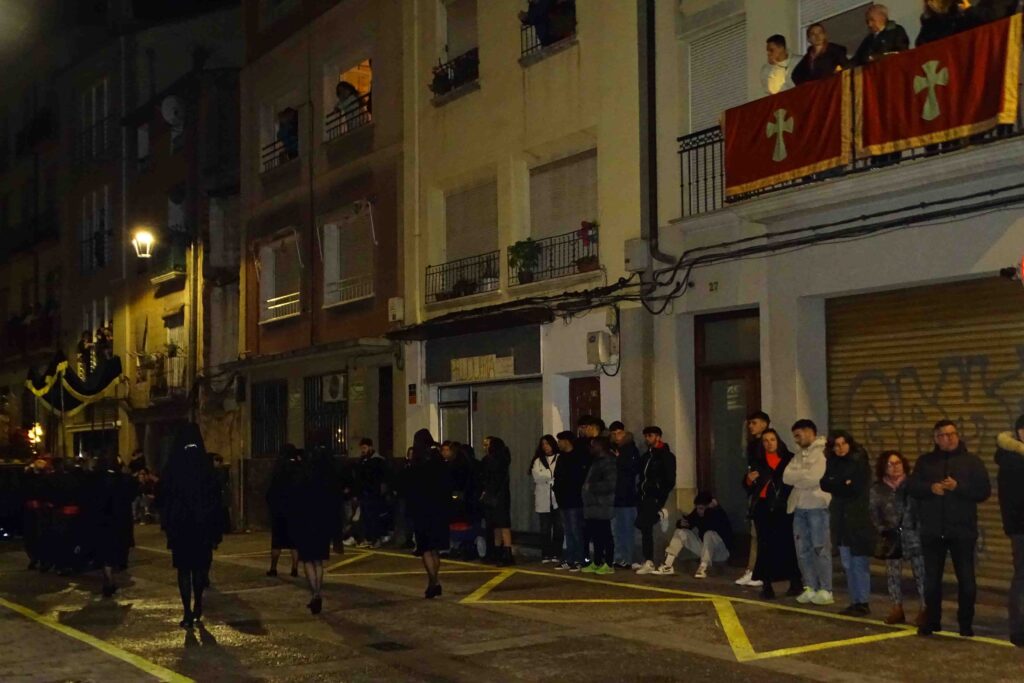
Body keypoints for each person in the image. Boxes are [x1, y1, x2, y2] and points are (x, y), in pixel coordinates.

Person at [909, 419, 991, 637]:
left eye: (952, 434)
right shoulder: (925, 462)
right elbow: (913, 486)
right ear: (936, 439)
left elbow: (983, 491)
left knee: (966, 580)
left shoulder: (972, 462)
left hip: (962, 531)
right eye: (943, 435)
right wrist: (930, 488)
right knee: (932, 581)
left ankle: (965, 623)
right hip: (932, 530)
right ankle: (932, 620)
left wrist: (958, 487)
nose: (948, 438)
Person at [160, 423, 223, 629]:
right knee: (199, 568)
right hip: (202, 526)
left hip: (180, 527)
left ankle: (187, 610)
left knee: (184, 570)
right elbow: (216, 500)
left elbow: (164, 498)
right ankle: (198, 604)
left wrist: (167, 525)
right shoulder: (205, 466)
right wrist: (216, 530)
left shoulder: (173, 466)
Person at [820, 431, 876, 616]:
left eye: (843, 444)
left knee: (859, 561)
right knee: (847, 563)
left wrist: (840, 484)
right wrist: (842, 483)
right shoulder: (833, 463)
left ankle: (863, 601)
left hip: (857, 518)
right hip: (840, 519)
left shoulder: (859, 463)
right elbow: (825, 483)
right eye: (836, 445)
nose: (840, 448)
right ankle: (854, 600)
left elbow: (855, 488)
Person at [869, 450, 926, 626]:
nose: (895, 467)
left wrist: (919, 528)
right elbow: (873, 512)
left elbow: (923, 509)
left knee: (921, 573)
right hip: (892, 537)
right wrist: (883, 529)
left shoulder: (913, 485)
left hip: (914, 536)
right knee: (893, 574)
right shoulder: (878, 489)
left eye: (898, 463)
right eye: (890, 464)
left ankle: (925, 608)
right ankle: (896, 608)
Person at [745, 429, 802, 599]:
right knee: (765, 547)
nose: (769, 443)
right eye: (765, 441)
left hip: (783, 507)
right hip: (763, 507)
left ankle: (795, 582)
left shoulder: (789, 459)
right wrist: (749, 480)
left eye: (772, 440)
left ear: (778, 441)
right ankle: (767, 585)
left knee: (787, 545)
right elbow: (748, 485)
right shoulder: (758, 461)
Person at [784, 420, 833, 606]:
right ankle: (810, 586)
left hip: (817, 506)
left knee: (820, 548)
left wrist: (799, 477)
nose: (796, 440)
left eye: (798, 435)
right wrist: (802, 476)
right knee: (802, 550)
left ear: (809, 432)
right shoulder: (798, 455)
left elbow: (816, 477)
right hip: (799, 507)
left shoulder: (822, 452)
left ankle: (826, 588)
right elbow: (786, 476)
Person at [288, 443, 338, 615]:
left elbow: (295, 500)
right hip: (321, 523)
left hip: (306, 523)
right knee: (318, 562)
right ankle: (318, 592)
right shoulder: (326, 478)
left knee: (308, 561)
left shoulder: (302, 476)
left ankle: (315, 594)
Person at [408, 429, 453, 599]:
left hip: (422, 509)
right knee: (435, 549)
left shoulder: (418, 461)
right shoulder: (439, 459)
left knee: (425, 549)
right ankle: (435, 581)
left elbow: (411, 486)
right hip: (439, 509)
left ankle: (433, 582)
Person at [655, 492, 733, 578]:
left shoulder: (718, 513)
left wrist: (713, 508)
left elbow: (713, 526)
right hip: (705, 550)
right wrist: (680, 523)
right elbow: (688, 522)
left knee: (709, 534)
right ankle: (668, 565)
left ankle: (703, 568)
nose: (699, 511)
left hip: (721, 552)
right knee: (681, 532)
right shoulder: (697, 513)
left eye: (701, 508)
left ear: (709, 506)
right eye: (697, 508)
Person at [995, 416, 1024, 646]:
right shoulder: (1012, 461)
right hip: (1021, 528)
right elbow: (1014, 500)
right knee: (1022, 578)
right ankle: (1019, 630)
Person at [90, 455, 134, 597]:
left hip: (102, 520)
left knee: (105, 551)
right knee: (114, 550)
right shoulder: (123, 480)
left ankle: (108, 577)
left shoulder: (96, 480)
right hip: (118, 520)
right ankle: (110, 578)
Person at [634, 426, 676, 575]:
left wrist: (659, 496)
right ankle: (647, 559)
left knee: (645, 526)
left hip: (654, 496)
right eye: (646, 436)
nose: (647, 439)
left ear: (658, 437)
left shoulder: (666, 456)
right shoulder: (647, 456)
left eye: (650, 436)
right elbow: (641, 474)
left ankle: (649, 561)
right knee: (642, 525)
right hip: (644, 496)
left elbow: (669, 480)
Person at [736, 411, 770, 587]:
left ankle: (757, 572)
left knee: (760, 534)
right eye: (749, 423)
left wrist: (758, 478)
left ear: (764, 424)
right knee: (756, 534)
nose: (750, 426)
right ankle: (755, 571)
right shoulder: (753, 446)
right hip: (756, 493)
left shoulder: (766, 444)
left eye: (754, 423)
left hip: (765, 495)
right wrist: (749, 481)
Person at [553, 431, 588, 571]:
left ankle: (580, 559)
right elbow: (558, 476)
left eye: (560, 441)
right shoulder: (561, 458)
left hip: (575, 500)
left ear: (566, 441)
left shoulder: (578, 457)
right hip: (563, 500)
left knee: (576, 530)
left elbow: (579, 478)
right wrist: (557, 491)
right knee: (568, 531)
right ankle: (569, 558)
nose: (558, 444)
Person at [581, 437, 617, 574]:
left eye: (593, 445)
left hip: (602, 505)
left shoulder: (609, 462)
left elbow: (611, 484)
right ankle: (597, 561)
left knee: (605, 535)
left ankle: (608, 563)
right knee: (596, 536)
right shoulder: (596, 461)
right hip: (593, 505)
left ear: (600, 446)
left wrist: (591, 487)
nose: (591, 448)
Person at [266, 445, 300, 578]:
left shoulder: (277, 469)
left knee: (277, 542)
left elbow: (270, 492)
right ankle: (295, 568)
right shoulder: (298, 468)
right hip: (294, 511)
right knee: (294, 543)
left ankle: (273, 568)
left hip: (279, 512)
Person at [609, 421, 639, 569]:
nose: (617, 437)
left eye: (619, 433)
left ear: (624, 433)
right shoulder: (611, 449)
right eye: (614, 434)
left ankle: (628, 558)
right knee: (616, 530)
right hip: (614, 496)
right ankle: (618, 557)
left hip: (627, 497)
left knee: (627, 529)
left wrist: (619, 459)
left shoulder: (631, 449)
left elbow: (633, 469)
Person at [480, 436, 514, 566]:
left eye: (487, 444)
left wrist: (486, 490)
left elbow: (490, 478)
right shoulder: (500, 459)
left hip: (496, 496)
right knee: (499, 525)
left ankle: (503, 553)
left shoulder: (494, 460)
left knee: (501, 525)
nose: (485, 447)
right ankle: (501, 552)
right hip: (499, 495)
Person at [530, 435, 562, 563]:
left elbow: (560, 475)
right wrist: (550, 476)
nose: (545, 446)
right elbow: (537, 477)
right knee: (545, 528)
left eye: (547, 443)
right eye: (543, 444)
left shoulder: (559, 458)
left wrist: (547, 476)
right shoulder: (538, 460)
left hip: (557, 498)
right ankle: (546, 553)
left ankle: (557, 553)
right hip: (543, 498)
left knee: (559, 527)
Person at [355, 438, 390, 548]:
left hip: (374, 494)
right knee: (366, 518)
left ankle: (376, 539)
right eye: (361, 448)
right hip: (364, 493)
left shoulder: (378, 461)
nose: (363, 450)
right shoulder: (362, 460)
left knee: (374, 517)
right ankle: (368, 539)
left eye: (364, 448)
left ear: (370, 447)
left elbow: (383, 478)